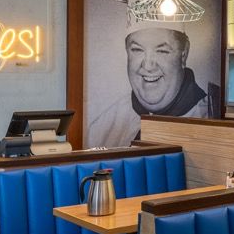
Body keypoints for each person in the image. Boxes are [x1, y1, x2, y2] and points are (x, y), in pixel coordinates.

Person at [88, 24, 217, 147]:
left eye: (162, 51)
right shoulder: (101, 129)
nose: (148, 66)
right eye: (137, 50)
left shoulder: (211, 122)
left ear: (184, 55)